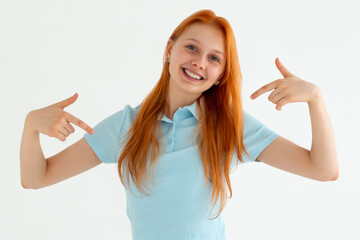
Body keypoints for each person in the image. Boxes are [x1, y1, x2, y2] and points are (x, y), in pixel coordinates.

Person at [20, 9, 339, 240]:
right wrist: (31, 126)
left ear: (221, 76)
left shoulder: (231, 127)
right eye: (192, 47)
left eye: (215, 58)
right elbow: (36, 177)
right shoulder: (126, 126)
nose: (201, 62)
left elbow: (323, 169)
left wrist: (316, 99)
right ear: (169, 50)